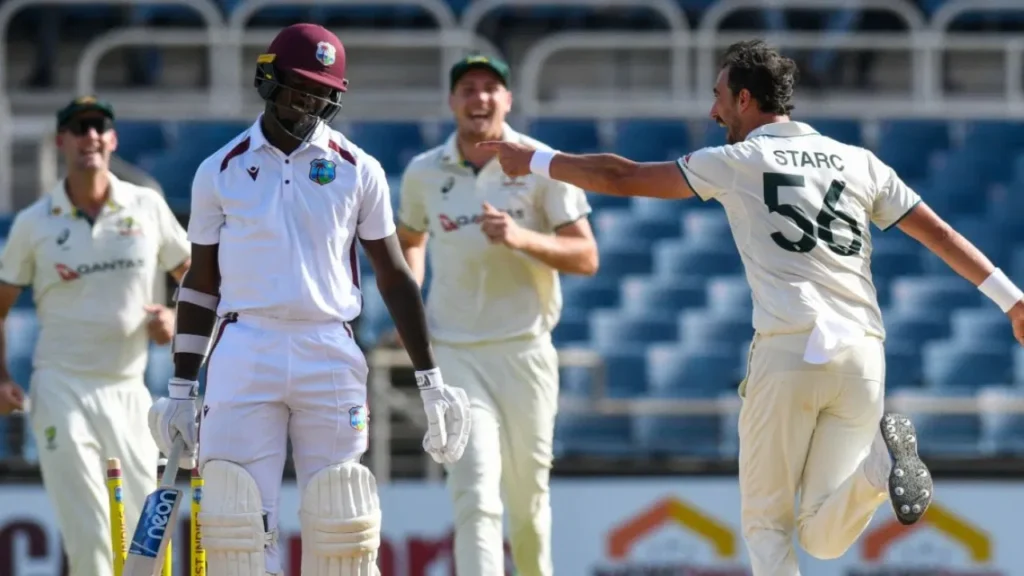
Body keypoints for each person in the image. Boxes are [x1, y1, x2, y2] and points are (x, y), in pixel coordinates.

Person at [481, 39, 1024, 575]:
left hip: (790, 349)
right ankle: (877, 471)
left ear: (745, 99)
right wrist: (1013, 301)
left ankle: (877, 471)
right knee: (821, 538)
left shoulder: (739, 160)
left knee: (767, 528)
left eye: (718, 96)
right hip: (863, 358)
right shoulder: (860, 161)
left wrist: (536, 160)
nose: (712, 111)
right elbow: (942, 236)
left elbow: (622, 176)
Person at [146, 23, 471, 576]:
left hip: (329, 347)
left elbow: (394, 276)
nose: (309, 102)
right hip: (245, 347)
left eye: (322, 92)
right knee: (234, 524)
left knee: (342, 521)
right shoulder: (220, 170)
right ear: (268, 79)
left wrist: (430, 380)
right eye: (298, 87)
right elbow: (201, 282)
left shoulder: (357, 168)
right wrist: (181, 386)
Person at [397, 54, 598, 576]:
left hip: (526, 349)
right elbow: (411, 239)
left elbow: (586, 256)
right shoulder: (423, 172)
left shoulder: (539, 163)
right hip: (455, 353)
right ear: (452, 101)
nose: (480, 97)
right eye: (468, 88)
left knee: (528, 502)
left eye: (491, 88)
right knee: (474, 491)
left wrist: (520, 237)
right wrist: (409, 296)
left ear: (508, 100)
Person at [0, 95, 190, 576]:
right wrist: (1, 377)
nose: (90, 136)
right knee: (89, 531)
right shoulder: (34, 222)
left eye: (99, 126)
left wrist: (174, 317)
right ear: (60, 141)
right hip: (61, 387)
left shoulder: (146, 205)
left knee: (146, 538)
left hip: (129, 391)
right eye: (78, 127)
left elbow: (195, 276)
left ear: (113, 139)